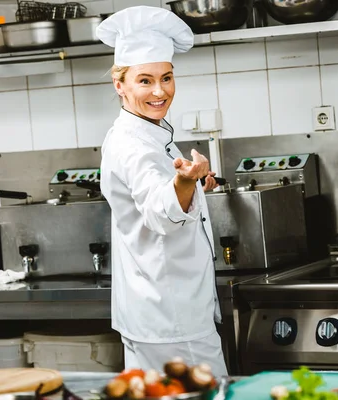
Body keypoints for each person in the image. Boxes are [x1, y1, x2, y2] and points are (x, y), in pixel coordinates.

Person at [95, 6, 227, 376]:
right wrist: (184, 183)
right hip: (171, 319)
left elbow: (159, 189)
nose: (160, 91)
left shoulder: (149, 133)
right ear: (119, 84)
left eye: (166, 78)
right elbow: (159, 212)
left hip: (162, 311)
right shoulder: (133, 143)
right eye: (145, 80)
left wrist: (193, 185)